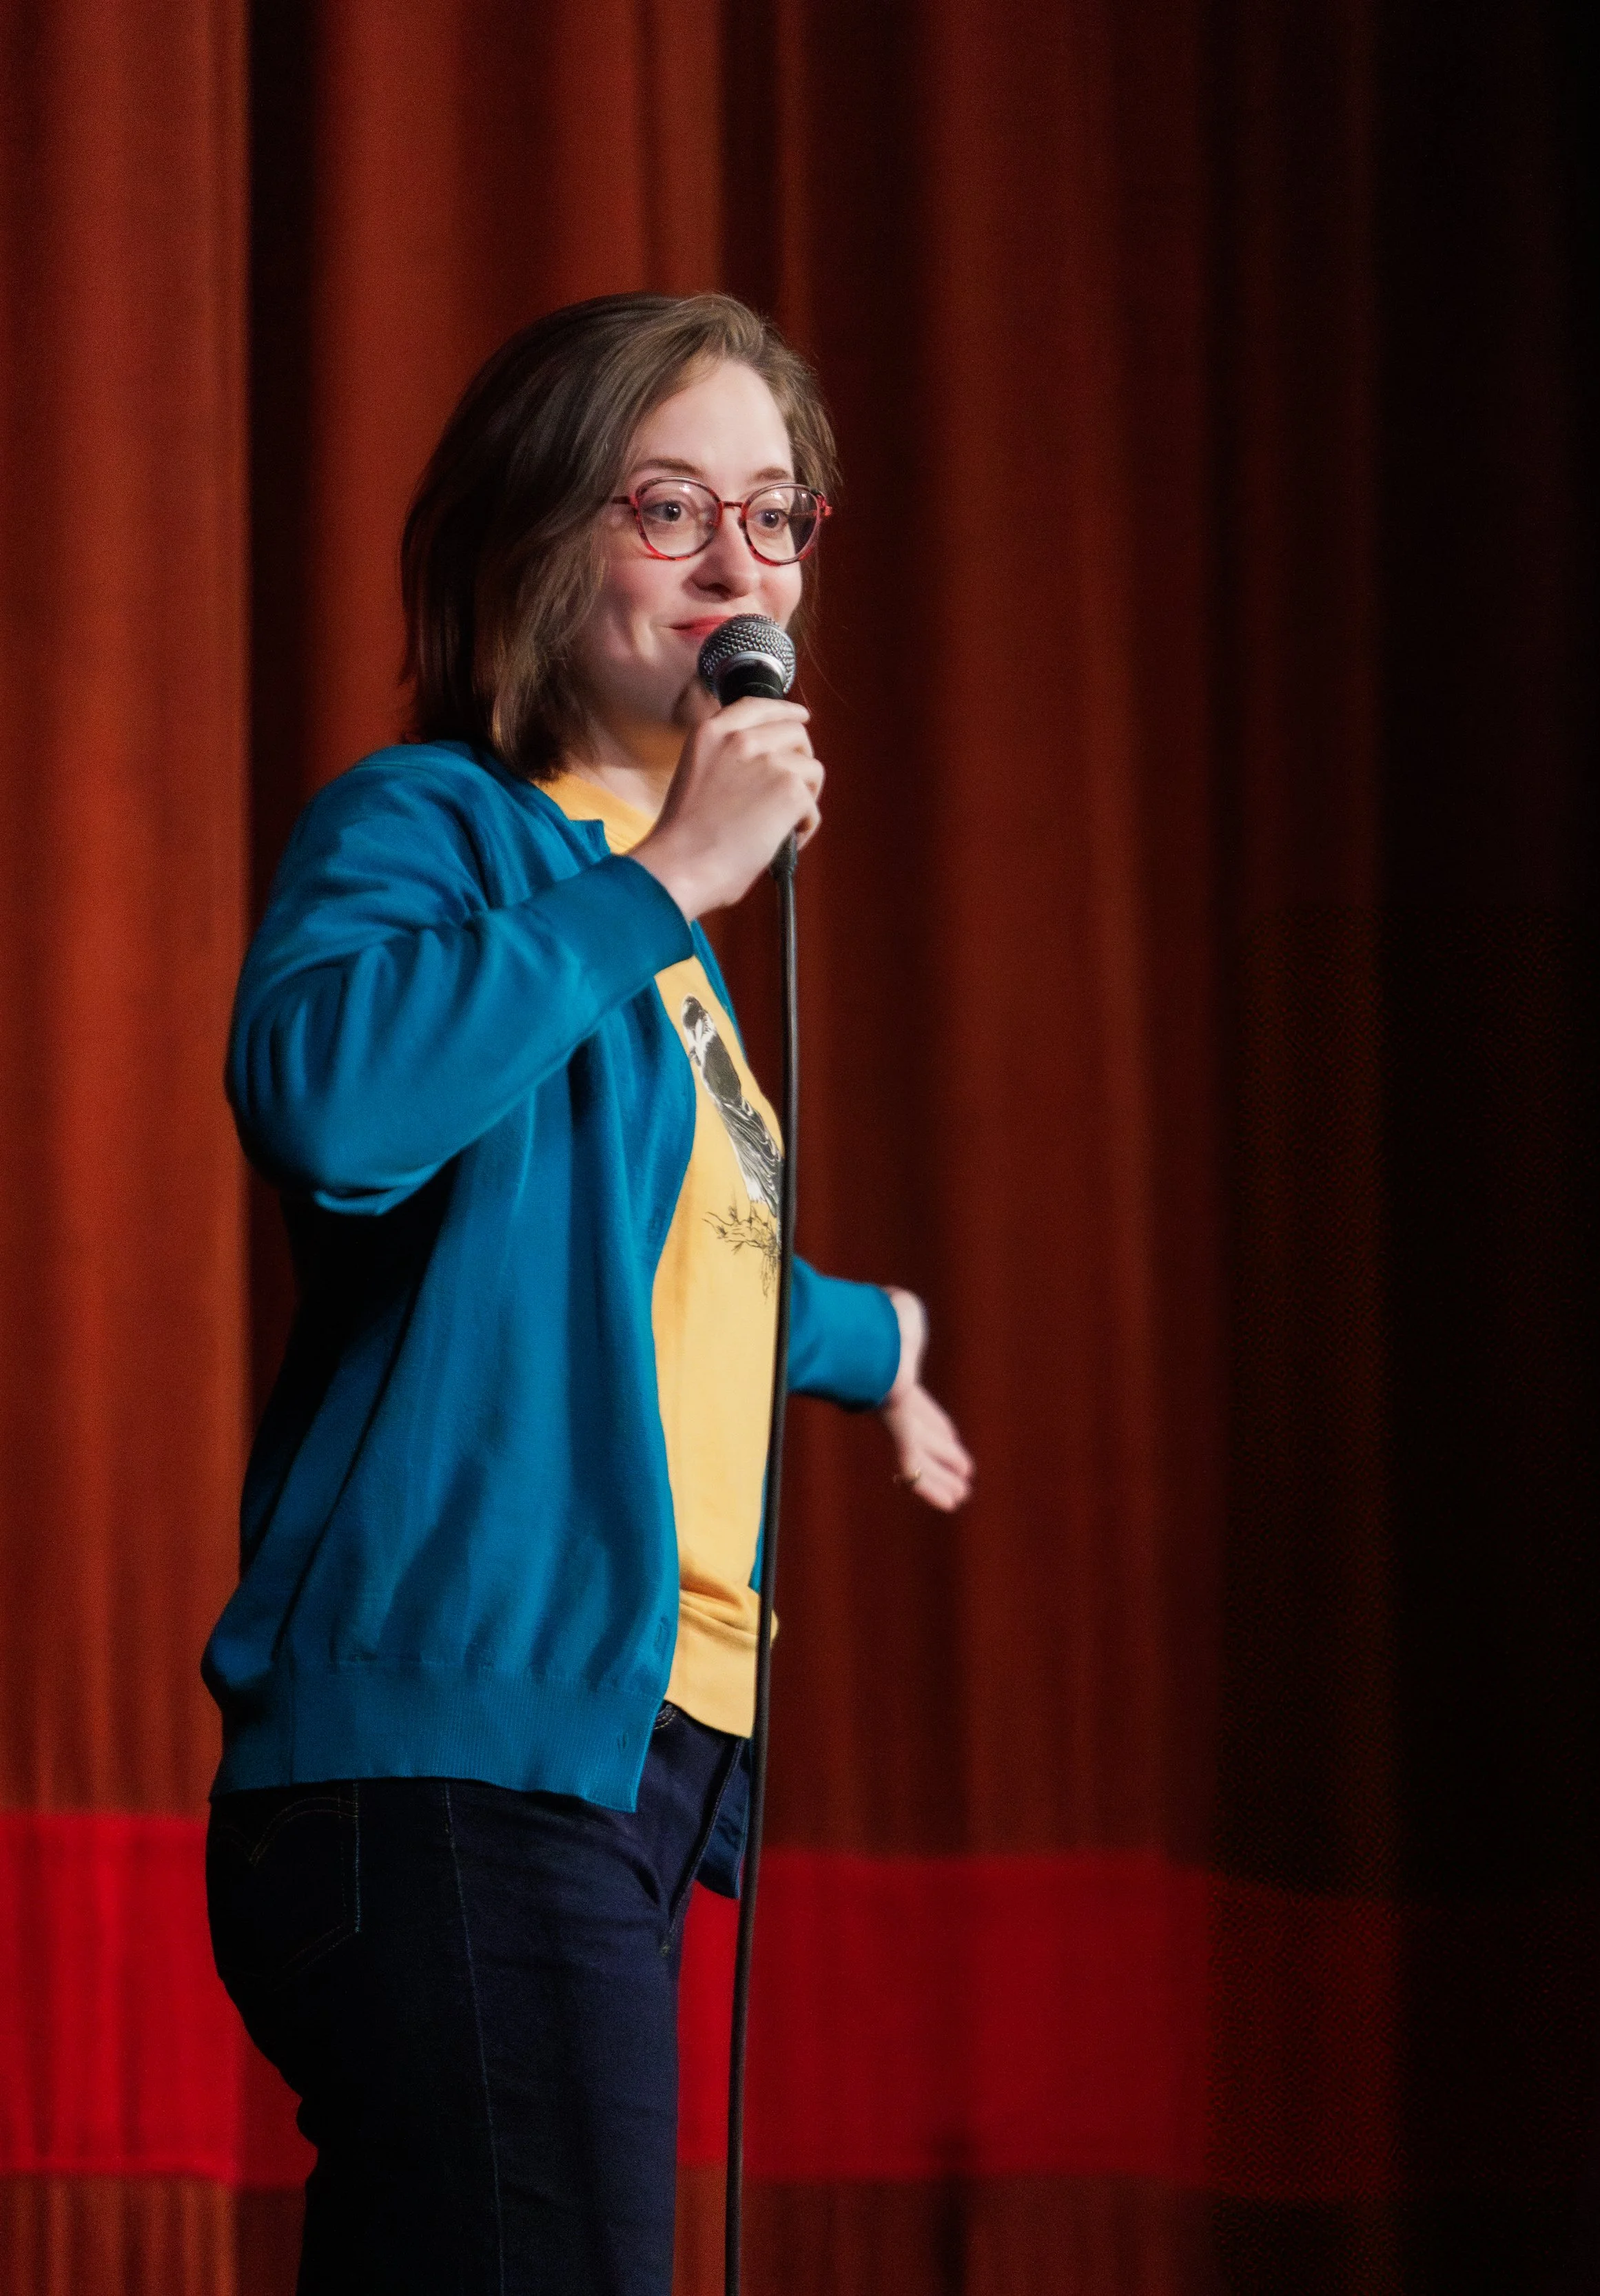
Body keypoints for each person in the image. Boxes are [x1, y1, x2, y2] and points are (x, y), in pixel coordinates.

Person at [202, 292, 974, 2296]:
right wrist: (656, 879)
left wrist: (873, 1342)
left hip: (632, 1757)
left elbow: (686, 1257)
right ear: (540, 540)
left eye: (778, 515)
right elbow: (329, 1098)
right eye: (669, 506)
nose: (740, 567)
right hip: (456, 1745)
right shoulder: (449, 834)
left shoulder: (665, 950)